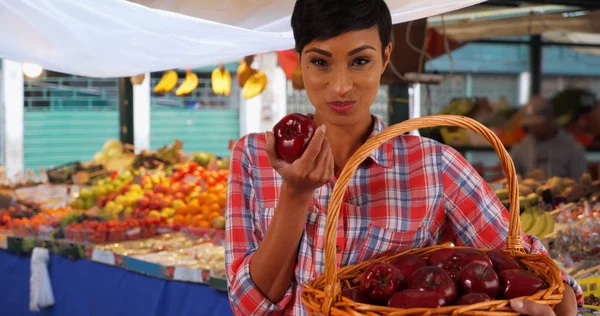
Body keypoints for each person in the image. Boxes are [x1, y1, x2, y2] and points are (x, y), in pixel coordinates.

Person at [225, 0, 582, 315]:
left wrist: (558, 308)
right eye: (320, 62)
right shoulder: (255, 157)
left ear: (385, 57)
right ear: (300, 62)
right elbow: (250, 305)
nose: (340, 85)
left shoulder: (435, 166)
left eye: (360, 61)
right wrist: (296, 194)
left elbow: (535, 268)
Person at [510, 95, 587, 180]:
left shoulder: (572, 147)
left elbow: (581, 181)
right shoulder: (521, 146)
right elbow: (509, 179)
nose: (533, 128)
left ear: (550, 119)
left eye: (537, 124)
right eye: (530, 124)